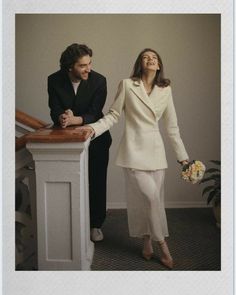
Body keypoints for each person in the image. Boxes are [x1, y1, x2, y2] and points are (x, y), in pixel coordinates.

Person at [79, 48, 189, 269]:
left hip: (156, 154)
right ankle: (163, 246)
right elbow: (113, 115)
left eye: (154, 58)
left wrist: (183, 159)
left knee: (152, 200)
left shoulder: (165, 89)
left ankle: (147, 243)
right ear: (140, 63)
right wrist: (92, 128)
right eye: (145, 57)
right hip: (133, 153)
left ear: (158, 66)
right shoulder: (128, 85)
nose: (150, 59)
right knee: (151, 200)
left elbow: (172, 127)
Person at [48, 43, 112, 242]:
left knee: (96, 180)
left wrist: (76, 119)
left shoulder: (99, 81)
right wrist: (61, 118)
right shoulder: (54, 80)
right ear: (69, 67)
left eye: (90, 64)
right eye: (83, 66)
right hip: (66, 141)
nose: (88, 69)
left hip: (97, 139)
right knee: (68, 182)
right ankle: (70, 223)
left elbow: (95, 111)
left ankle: (95, 225)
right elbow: (54, 107)